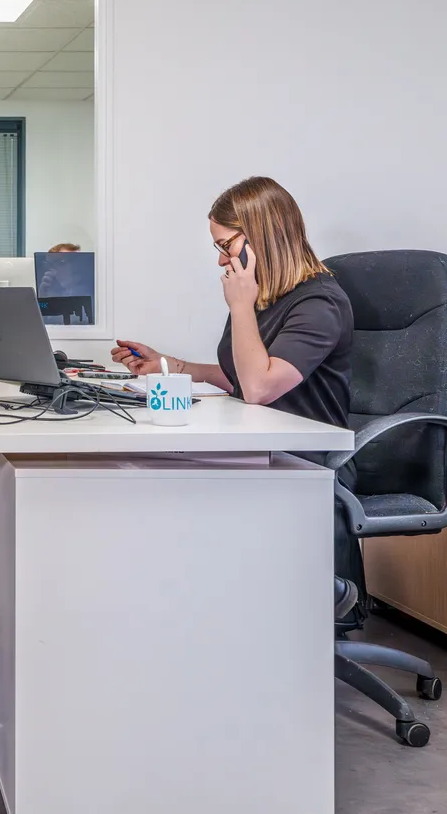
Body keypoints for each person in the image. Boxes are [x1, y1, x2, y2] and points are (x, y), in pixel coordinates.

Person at [111, 176, 360, 619]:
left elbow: (260, 388)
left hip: (304, 460)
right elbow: (239, 379)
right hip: (260, 447)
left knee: (170, 490)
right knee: (146, 476)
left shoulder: (319, 303)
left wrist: (241, 306)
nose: (222, 259)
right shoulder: (265, 296)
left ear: (262, 235)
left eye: (226, 245)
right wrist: (169, 365)